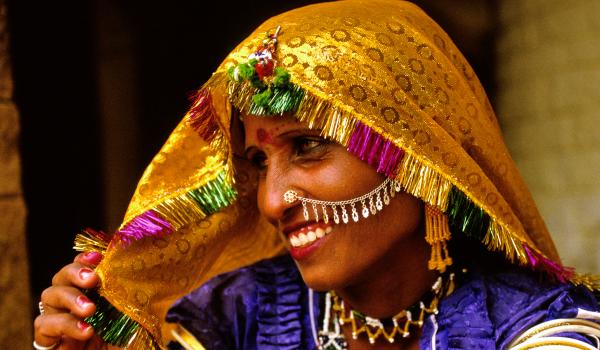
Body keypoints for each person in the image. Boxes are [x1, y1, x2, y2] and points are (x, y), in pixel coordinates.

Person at [33, 1, 600, 349]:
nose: (274, 201)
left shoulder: (541, 324)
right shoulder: (239, 311)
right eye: (258, 162)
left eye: (307, 147)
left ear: (420, 158)